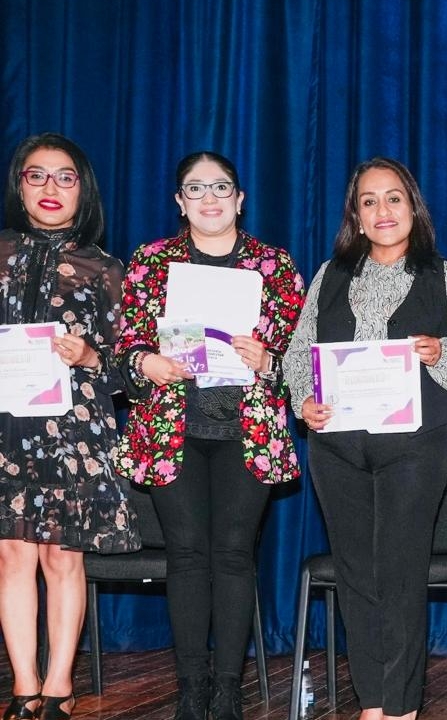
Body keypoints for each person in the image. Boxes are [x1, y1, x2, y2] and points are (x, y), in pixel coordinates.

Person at [282, 157, 447, 720]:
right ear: (356, 215)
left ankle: (401, 705)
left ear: (413, 207)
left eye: (394, 198)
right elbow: (299, 354)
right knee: (356, 575)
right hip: (337, 448)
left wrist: (441, 355)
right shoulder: (330, 275)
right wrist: (303, 403)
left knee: (399, 573)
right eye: (369, 200)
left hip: (415, 446)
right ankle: (372, 701)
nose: (382, 210)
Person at [112, 150, 304, 720]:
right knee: (188, 556)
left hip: (247, 427)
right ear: (180, 202)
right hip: (174, 428)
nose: (210, 198)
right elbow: (125, 345)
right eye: (196, 189)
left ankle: (227, 687)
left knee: (234, 555)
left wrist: (270, 359)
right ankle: (191, 686)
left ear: (241, 200)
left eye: (222, 187)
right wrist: (145, 362)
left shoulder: (275, 265)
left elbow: (301, 360)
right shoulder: (151, 261)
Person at [0, 132, 140, 720]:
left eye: (65, 177)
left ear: (83, 190)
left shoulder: (109, 268)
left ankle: (58, 685)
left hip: (73, 432)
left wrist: (89, 358)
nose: (50, 188)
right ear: (20, 186)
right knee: (11, 555)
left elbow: (132, 370)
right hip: (6, 427)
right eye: (37, 175)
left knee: (62, 557)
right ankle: (23, 684)